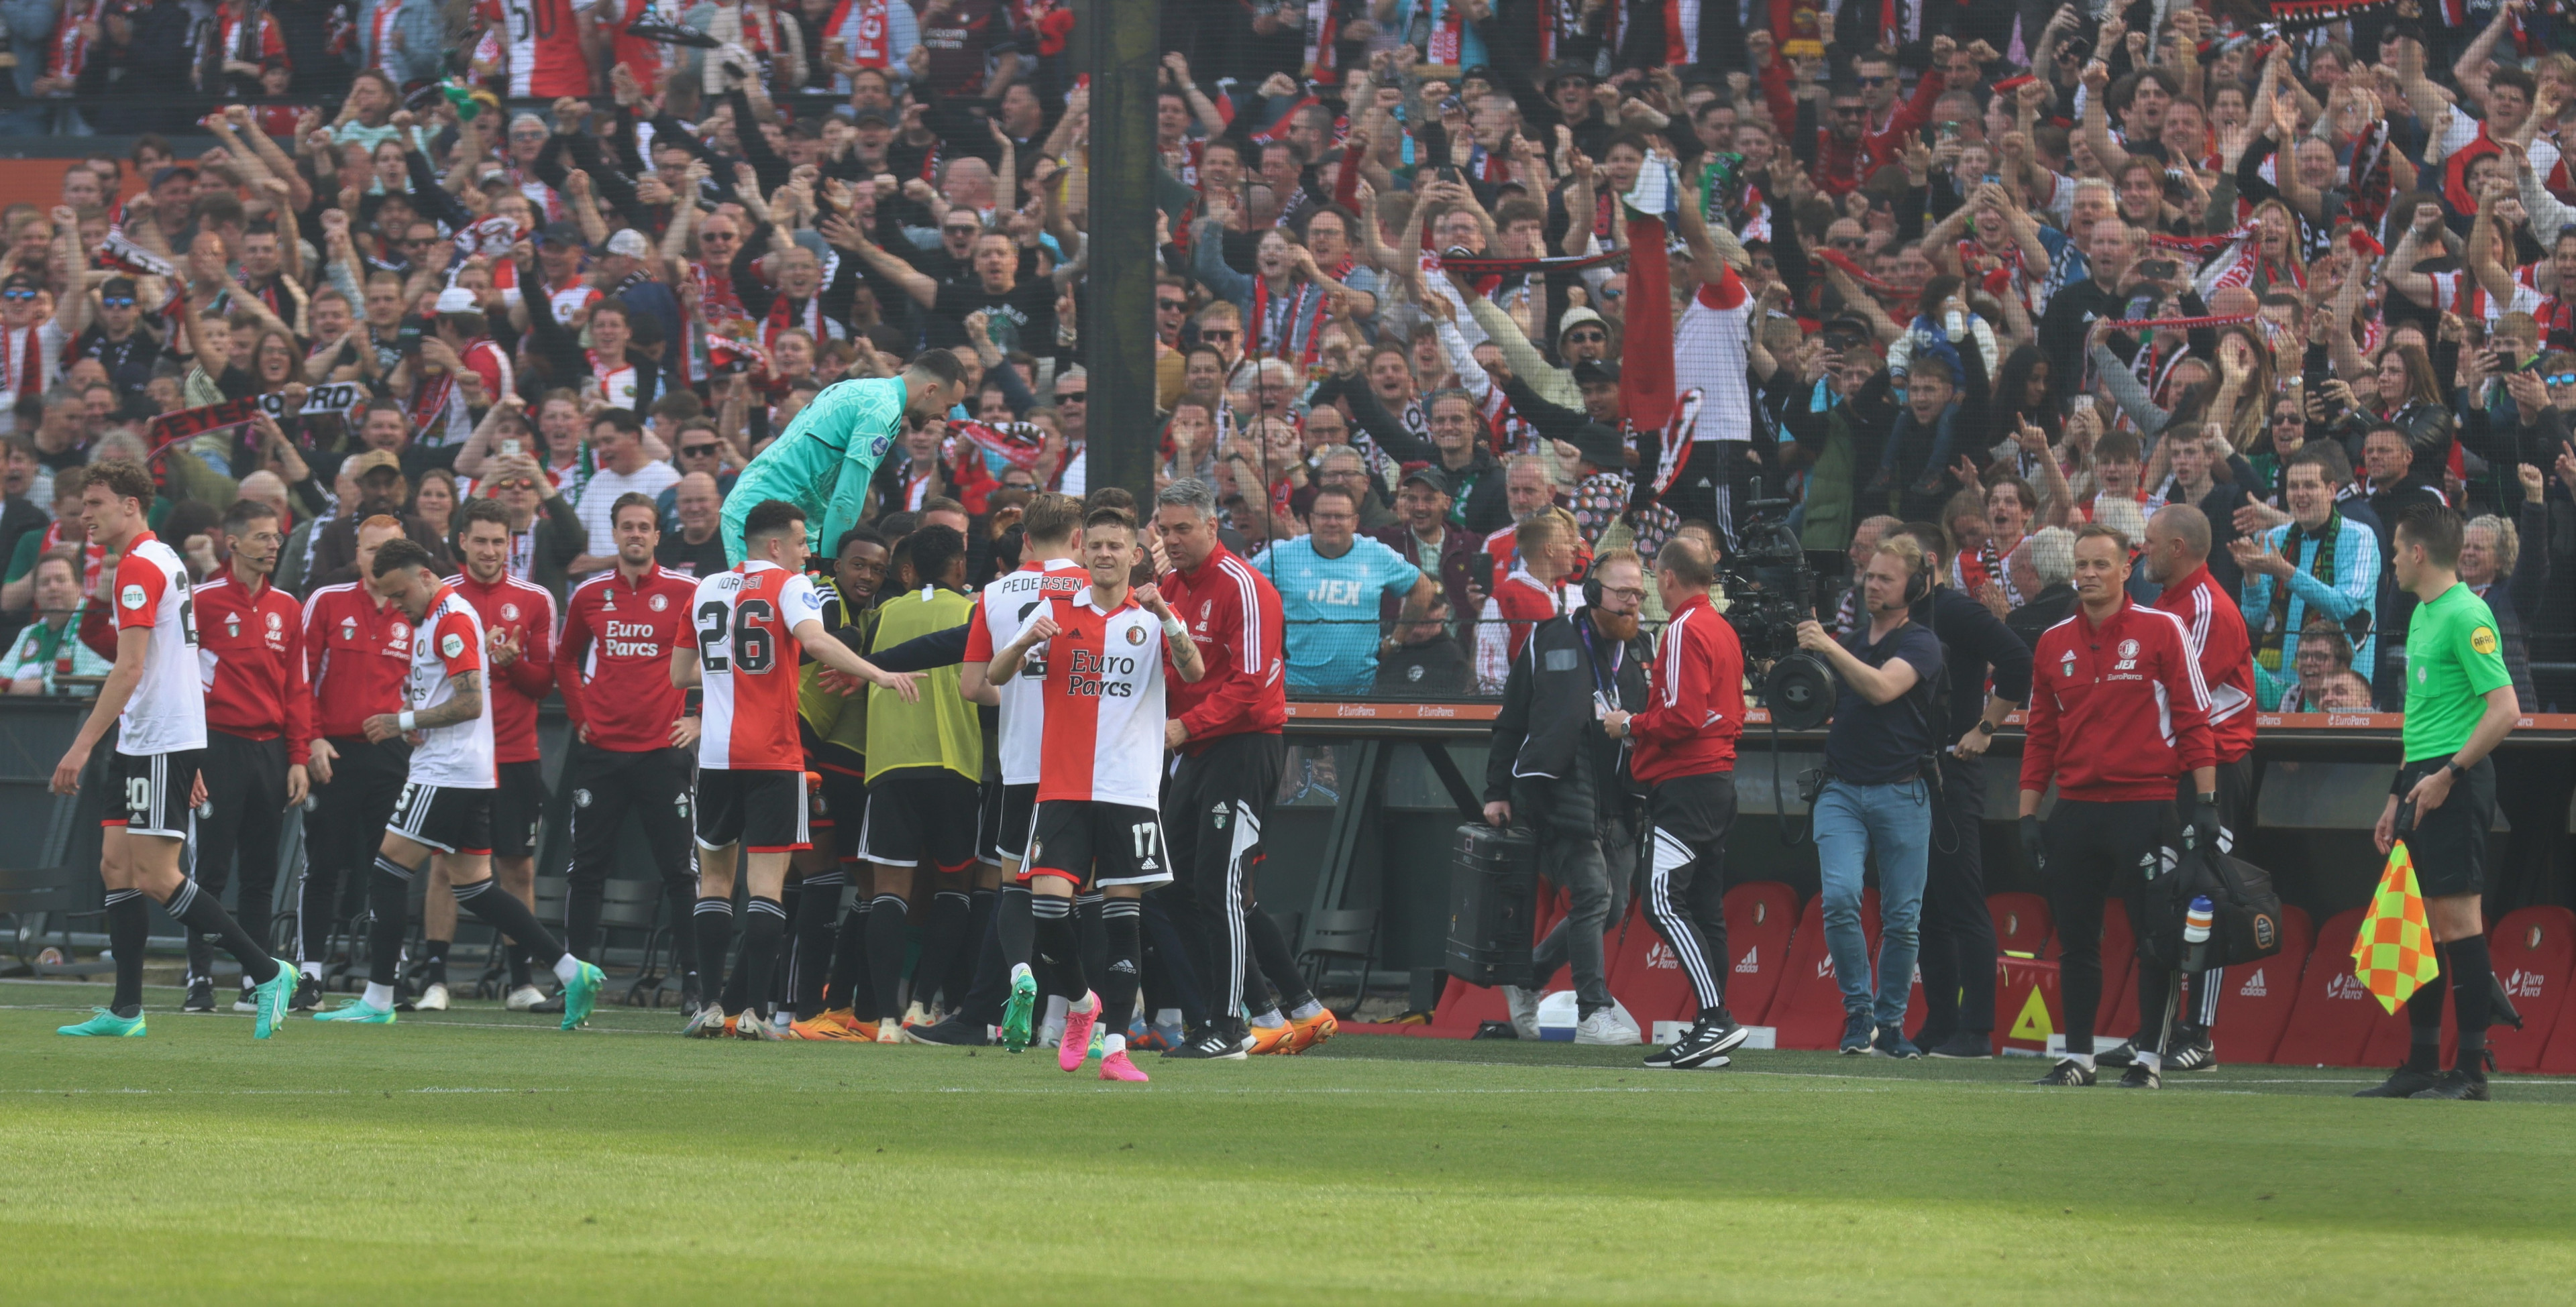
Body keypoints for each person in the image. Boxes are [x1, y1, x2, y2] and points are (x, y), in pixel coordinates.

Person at [311, 538, 606, 1027]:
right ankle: (572, 970)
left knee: (386, 871)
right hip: (465, 769)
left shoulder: (451, 620)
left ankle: (380, 998)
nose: (396, 605)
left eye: (400, 593)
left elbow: (471, 701)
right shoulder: (437, 616)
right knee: (475, 889)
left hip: (446, 770)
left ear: (424, 576)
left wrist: (402, 720)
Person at [50, 461, 300, 1037]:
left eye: (96, 502)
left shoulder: (139, 566)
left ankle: (267, 971)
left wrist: (82, 745)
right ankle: (127, 1010)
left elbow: (131, 665)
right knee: (116, 866)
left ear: (132, 504)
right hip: (152, 735)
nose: (85, 514)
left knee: (158, 875)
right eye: (83, 503)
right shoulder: (161, 558)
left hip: (158, 736)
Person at [678, 499, 920, 1040]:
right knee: (766, 887)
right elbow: (814, 640)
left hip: (715, 757)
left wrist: (731, 667)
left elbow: (678, 673)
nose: (808, 552)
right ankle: (756, 1015)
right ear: (774, 545)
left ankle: (713, 1005)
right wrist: (877, 673)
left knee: (714, 883)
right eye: (801, 541)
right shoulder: (791, 587)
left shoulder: (706, 588)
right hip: (773, 755)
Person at [985, 505, 1206, 1083]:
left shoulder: (1153, 616)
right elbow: (996, 675)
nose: (1106, 554)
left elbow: (1196, 670)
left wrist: (1170, 616)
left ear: (1135, 555)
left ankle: (1114, 1051)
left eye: (1118, 546)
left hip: (1129, 789)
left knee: (1122, 917)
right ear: (1083, 552)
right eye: (1098, 545)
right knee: (1050, 910)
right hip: (1061, 785)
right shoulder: (1054, 609)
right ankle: (1082, 1003)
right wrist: (1025, 639)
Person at [2021, 524, 2216, 1090]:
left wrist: (2205, 801)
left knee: (2156, 936)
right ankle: (2078, 1057)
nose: (2088, 575)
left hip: (2148, 805)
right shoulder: (2053, 642)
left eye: (2100, 565)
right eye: (2081, 565)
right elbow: (2040, 735)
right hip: (2076, 809)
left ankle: (2149, 1062)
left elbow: (2194, 719)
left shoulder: (2165, 629)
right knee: (2077, 939)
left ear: (2127, 568)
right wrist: (2029, 814)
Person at [1152, 477, 1333, 1060]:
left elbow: (1253, 687)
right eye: (1165, 528)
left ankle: (1232, 1025)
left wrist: (1184, 727)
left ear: (1212, 526)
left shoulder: (1245, 586)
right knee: (1173, 885)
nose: (1172, 539)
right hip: (1197, 751)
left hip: (1243, 745)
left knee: (1221, 885)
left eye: (1183, 528)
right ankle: (1262, 1011)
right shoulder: (1169, 588)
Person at [2356, 506, 2522, 1100]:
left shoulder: (2467, 614)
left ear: (2419, 552)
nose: (2393, 560)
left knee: (2457, 924)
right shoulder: (2424, 613)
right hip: (2422, 778)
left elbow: (2506, 710)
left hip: (2458, 778)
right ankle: (2423, 1062)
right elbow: (2420, 720)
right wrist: (2397, 792)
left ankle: (2471, 1071)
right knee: (2415, 927)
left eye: (2398, 550)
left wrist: (2450, 774)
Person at [2104, 504, 2259, 1074]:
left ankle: (2201, 1034)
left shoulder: (2205, 607)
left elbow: (2177, 697)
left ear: (2177, 548)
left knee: (2206, 893)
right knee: (2163, 897)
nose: (2140, 554)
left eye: (2147, 544)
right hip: (2173, 769)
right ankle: (2156, 1030)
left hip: (2211, 768)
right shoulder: (2165, 604)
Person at [1485, 548, 1651, 1045]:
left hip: (1619, 799)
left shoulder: (1640, 649)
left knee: (1614, 905)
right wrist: (1497, 791)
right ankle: (1593, 1013)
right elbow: (1511, 718)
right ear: (1595, 592)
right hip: (1558, 792)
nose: (1633, 603)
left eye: (1640, 594)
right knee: (1593, 894)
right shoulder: (1549, 636)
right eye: (1623, 593)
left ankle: (1528, 974)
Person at [1794, 535, 1944, 1058]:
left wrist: (1827, 647)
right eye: (1870, 575)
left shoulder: (1921, 642)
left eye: (1885, 577)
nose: (1872, 584)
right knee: (1839, 898)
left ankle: (1892, 1023)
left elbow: (1882, 688)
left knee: (1903, 918)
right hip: (1841, 789)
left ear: (1915, 586)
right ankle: (1859, 1014)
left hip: (1902, 792)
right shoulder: (1854, 641)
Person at [555, 494, 701, 1010]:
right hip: (603, 753)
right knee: (585, 868)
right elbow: (565, 657)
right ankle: (576, 983)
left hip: (664, 751)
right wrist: (579, 717)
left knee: (681, 872)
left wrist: (698, 717)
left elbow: (722, 655)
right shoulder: (589, 595)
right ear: (614, 534)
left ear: (659, 536)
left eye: (644, 527)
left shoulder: (689, 591)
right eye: (627, 527)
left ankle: (693, 985)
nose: (636, 534)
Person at [1892, 522, 2031, 1060]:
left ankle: (1976, 1028)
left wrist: (1985, 727)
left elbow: (2020, 660)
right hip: (1905, 773)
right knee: (1925, 906)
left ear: (1926, 562)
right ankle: (1939, 1022)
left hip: (1951, 771)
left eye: (1895, 566)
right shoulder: (1900, 616)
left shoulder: (1954, 610)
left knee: (1962, 901)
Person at [1621, 540, 1754, 1071]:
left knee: (1661, 901)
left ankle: (1716, 1018)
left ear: (1669, 577)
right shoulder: (1722, 627)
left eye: (1655, 577)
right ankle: (1709, 1029)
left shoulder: (1682, 628)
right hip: (1717, 780)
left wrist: (1628, 724)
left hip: (1687, 785)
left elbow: (1680, 717)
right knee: (1704, 909)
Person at [178, 495, 311, 1015]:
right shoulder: (202, 602)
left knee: (259, 875)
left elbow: (297, 688)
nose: (273, 544)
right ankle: (199, 977)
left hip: (270, 752)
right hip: (218, 748)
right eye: (262, 535)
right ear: (231, 541)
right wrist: (190, 759)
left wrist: (297, 756)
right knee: (207, 871)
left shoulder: (288, 608)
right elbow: (182, 683)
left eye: (276, 536)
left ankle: (255, 981)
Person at [853, 524, 983, 1041]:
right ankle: (923, 1005)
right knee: (955, 885)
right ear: (959, 566)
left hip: (889, 763)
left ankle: (885, 1017)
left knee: (890, 890)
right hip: (954, 762)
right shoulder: (975, 612)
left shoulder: (882, 613)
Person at [430, 498, 559, 1013]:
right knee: (444, 866)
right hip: (456, 755)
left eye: (498, 541)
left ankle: (521, 981)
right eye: (480, 540)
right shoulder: (439, 598)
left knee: (517, 869)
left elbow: (543, 683)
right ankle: (435, 978)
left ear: (511, 544)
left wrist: (507, 663)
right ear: (462, 541)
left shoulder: (534, 599)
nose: (489, 551)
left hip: (515, 752)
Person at [291, 516, 415, 1009]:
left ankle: (390, 975)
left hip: (392, 753)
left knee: (391, 867)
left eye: (389, 549)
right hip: (333, 752)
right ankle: (309, 975)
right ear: (357, 554)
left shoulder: (418, 611)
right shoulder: (327, 600)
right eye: (370, 549)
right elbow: (298, 678)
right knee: (322, 865)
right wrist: (312, 739)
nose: (379, 558)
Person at [718, 349, 967, 563]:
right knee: (768, 616)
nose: (945, 417)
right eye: (947, 406)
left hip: (785, 521)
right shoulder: (882, 411)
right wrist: (832, 566)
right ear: (931, 391)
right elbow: (847, 497)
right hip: (760, 521)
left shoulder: (860, 389)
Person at [2232, 447, 2381, 709]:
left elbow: (2344, 606)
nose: (2300, 494)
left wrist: (2285, 572)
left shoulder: (2360, 537)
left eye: (2310, 486)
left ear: (2331, 490)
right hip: (2280, 691)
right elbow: (2255, 619)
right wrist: (2252, 576)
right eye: (2293, 487)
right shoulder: (2274, 538)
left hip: (2339, 693)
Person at [1254, 484, 1437, 694]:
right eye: (1325, 516)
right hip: (1295, 687)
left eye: (1340, 516)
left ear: (1354, 522)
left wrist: (1395, 641)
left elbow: (1423, 590)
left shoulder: (1377, 554)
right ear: (1312, 520)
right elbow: (1239, 582)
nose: (1332, 523)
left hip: (1362, 689)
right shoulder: (1283, 556)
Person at [2, 553, 113, 693]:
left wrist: (44, 687)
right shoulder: (28, 634)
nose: (53, 587)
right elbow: (3, 675)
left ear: (79, 588)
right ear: (35, 595)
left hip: (77, 713)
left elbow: (100, 681)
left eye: (61, 580)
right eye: (45, 583)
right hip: (24, 714)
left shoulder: (98, 627)